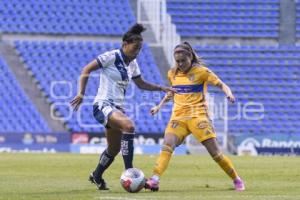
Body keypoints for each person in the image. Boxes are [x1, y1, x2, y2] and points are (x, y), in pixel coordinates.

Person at [70, 23, 174, 190]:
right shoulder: (111, 56)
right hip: (103, 104)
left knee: (114, 148)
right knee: (129, 125)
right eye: (135, 48)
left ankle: (96, 175)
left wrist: (161, 88)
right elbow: (86, 69)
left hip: (117, 108)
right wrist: (81, 94)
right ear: (125, 44)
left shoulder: (132, 63)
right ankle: (130, 172)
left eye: (139, 49)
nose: (137, 53)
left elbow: (140, 84)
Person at [144, 42, 245, 191]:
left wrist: (228, 93)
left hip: (198, 117)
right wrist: (159, 106)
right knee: (167, 145)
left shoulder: (202, 72)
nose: (180, 64)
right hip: (178, 117)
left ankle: (236, 179)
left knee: (216, 154)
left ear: (190, 57)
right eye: (177, 61)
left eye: (182, 61)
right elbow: (172, 92)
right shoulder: (172, 73)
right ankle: (155, 179)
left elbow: (222, 84)